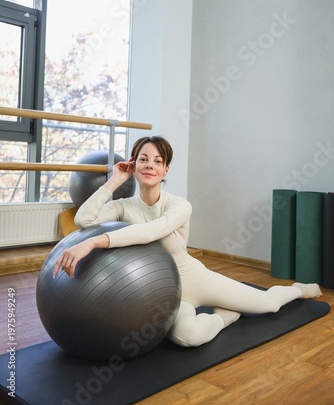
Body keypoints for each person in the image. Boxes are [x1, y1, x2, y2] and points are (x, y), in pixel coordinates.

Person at [53, 136, 322, 347]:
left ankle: (298, 290)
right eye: (143, 159)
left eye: (158, 161)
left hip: (194, 279)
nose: (150, 165)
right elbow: (84, 220)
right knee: (188, 337)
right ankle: (224, 316)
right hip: (163, 291)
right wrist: (114, 181)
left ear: (166, 169)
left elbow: (150, 232)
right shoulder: (122, 206)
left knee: (269, 305)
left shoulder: (180, 205)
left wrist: (92, 243)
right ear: (133, 166)